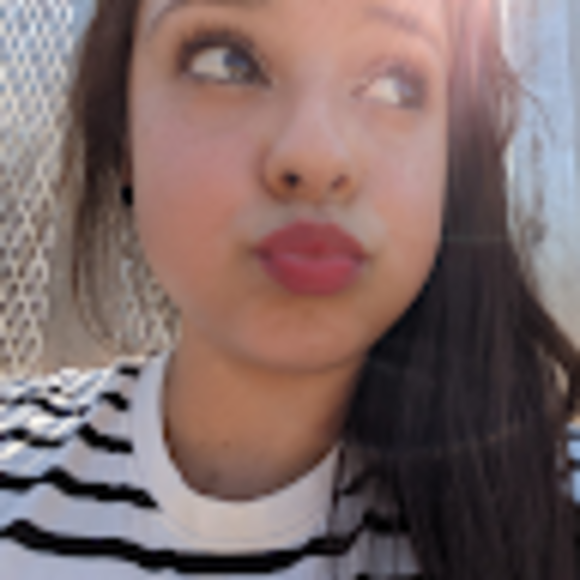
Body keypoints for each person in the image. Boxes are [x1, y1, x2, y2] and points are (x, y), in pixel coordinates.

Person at [1, 0, 579, 578]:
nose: (315, 155)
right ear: (124, 130)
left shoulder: (558, 516)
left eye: (395, 83)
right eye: (227, 62)